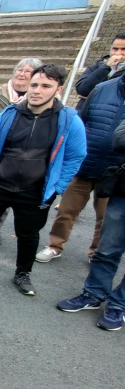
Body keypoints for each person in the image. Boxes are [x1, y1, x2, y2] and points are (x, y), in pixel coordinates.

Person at [0, 64, 87, 296]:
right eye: (34, 85)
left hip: (35, 191)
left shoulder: (69, 121)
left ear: (58, 89)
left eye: (45, 86)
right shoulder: (8, 115)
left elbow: (76, 156)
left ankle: (23, 274)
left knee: (29, 235)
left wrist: (57, 188)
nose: (37, 91)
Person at [36, 70, 125, 263]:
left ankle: (96, 254)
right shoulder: (102, 89)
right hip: (85, 164)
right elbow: (80, 121)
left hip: (115, 170)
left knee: (106, 217)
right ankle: (54, 245)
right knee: (66, 210)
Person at [57, 117, 125, 330]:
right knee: (107, 249)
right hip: (123, 194)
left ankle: (118, 304)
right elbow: (120, 139)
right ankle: (93, 293)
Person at [0, 58, 42, 247]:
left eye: (28, 71)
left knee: (9, 198)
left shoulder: (40, 102)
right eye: (20, 69)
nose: (22, 73)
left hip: (19, 163)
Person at [73, 32, 125, 114]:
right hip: (84, 115)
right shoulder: (99, 65)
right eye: (115, 49)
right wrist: (106, 66)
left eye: (123, 49)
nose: (118, 53)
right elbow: (82, 89)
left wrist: (92, 96)